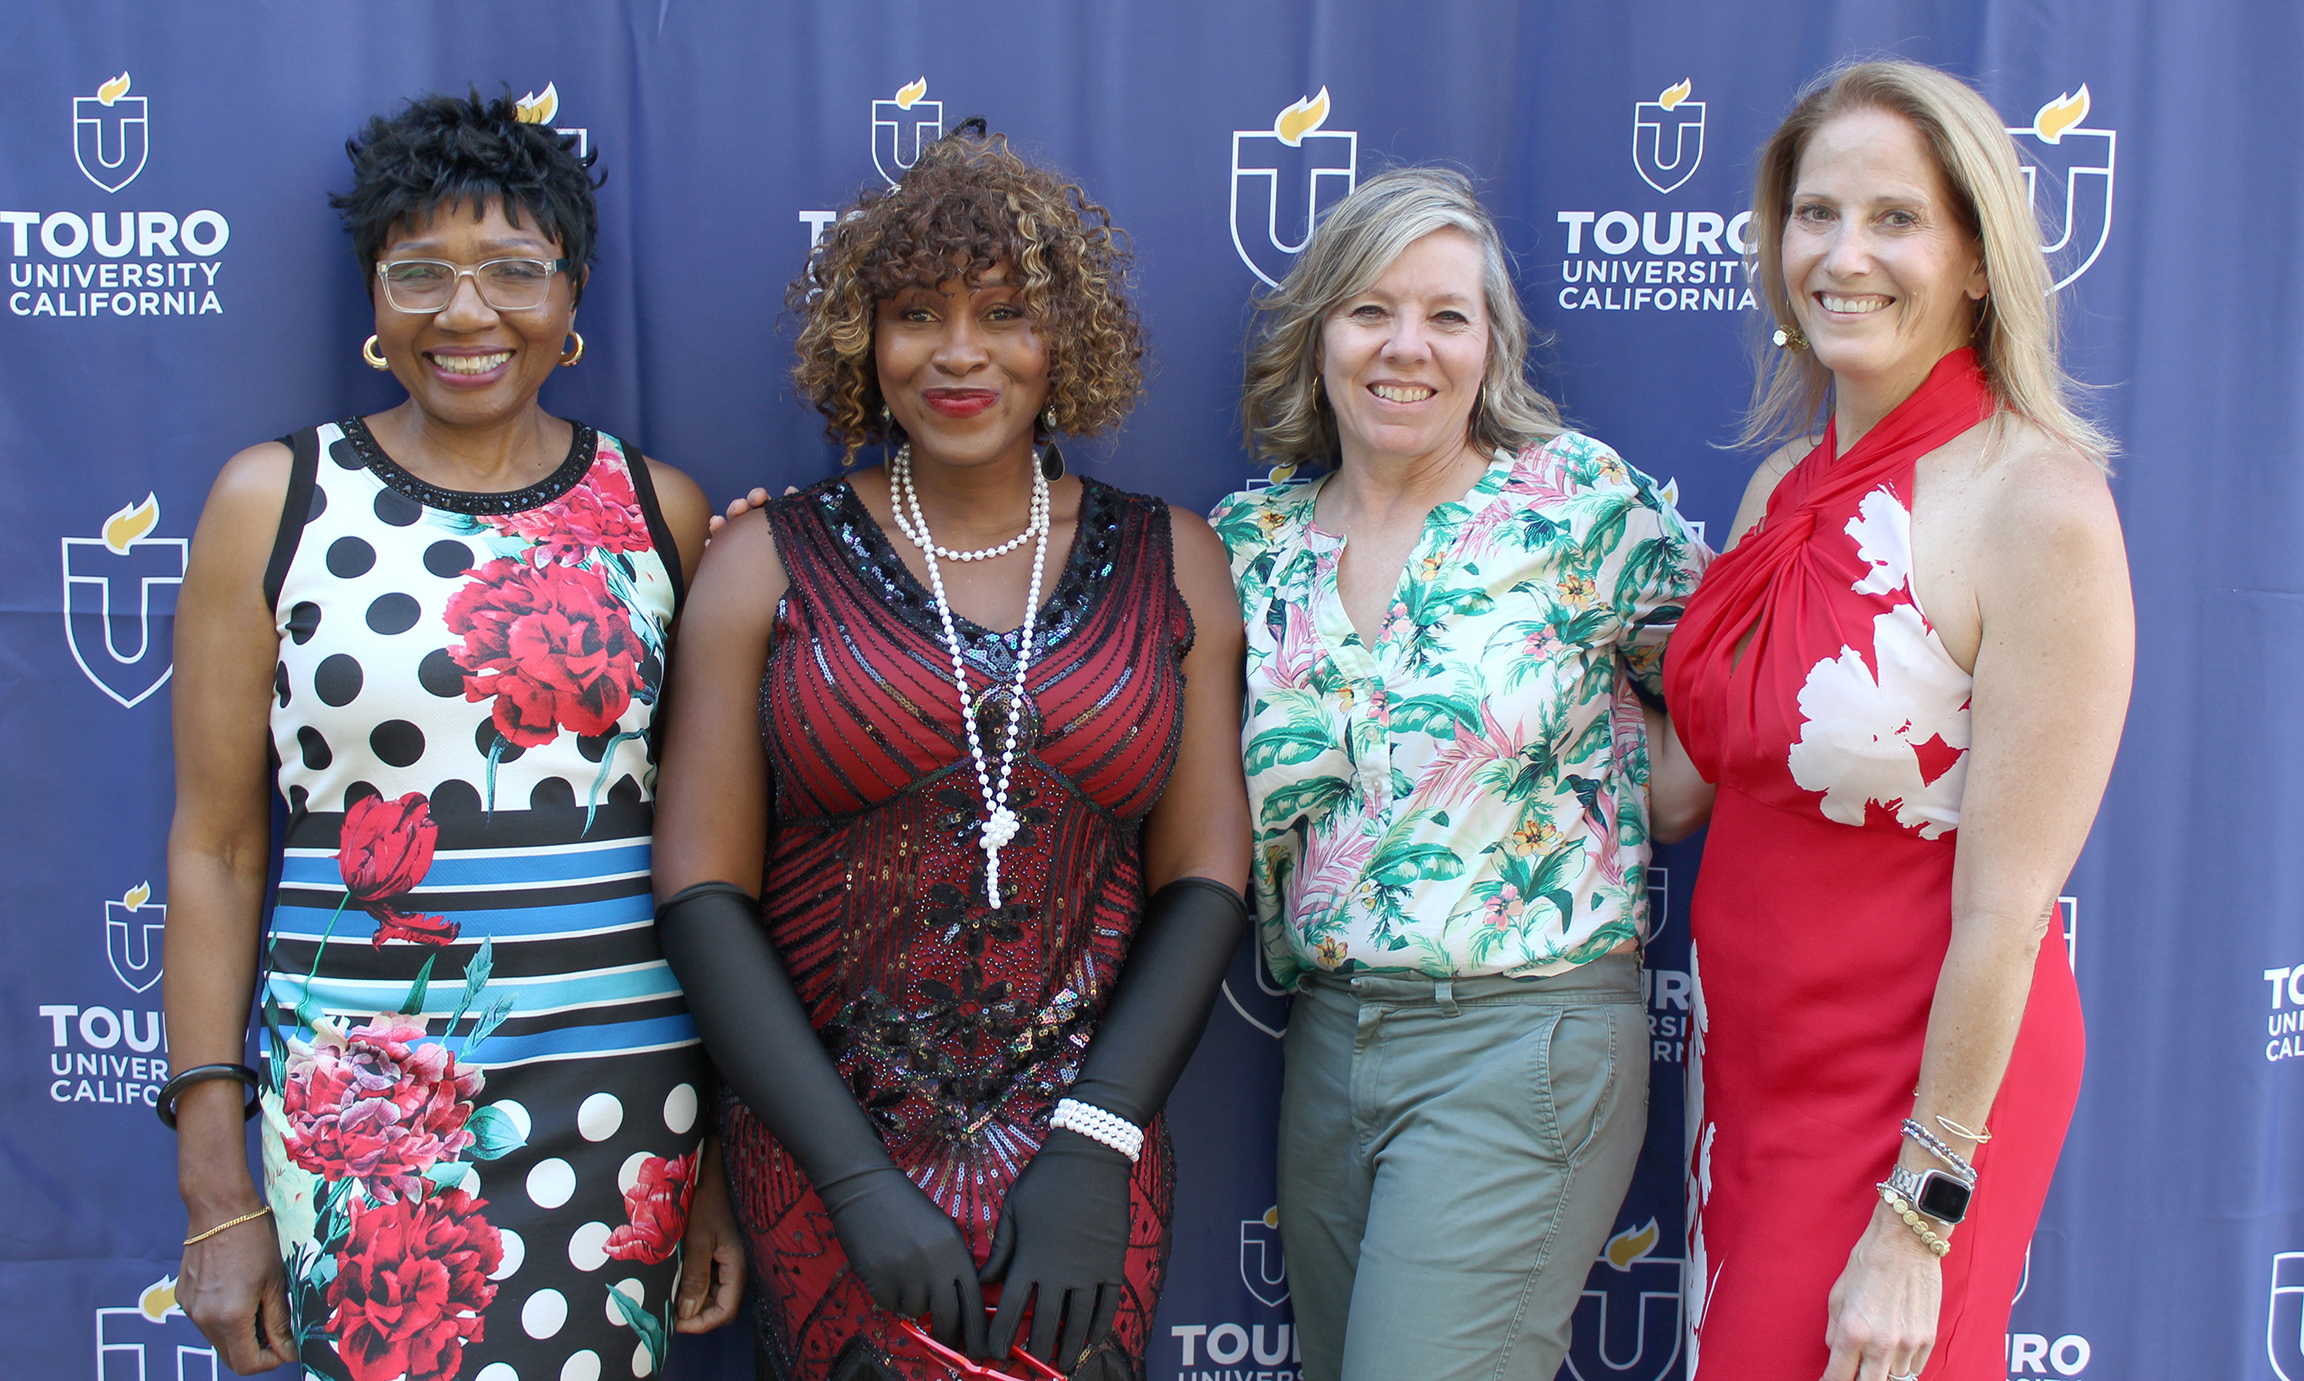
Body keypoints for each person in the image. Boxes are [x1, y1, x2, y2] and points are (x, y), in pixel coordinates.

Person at [650, 127, 1251, 1381]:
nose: (961, 351)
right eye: (917, 312)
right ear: (865, 345)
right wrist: (853, 1177)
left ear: (1064, 342)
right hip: (831, 1167)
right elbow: (704, 894)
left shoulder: (1174, 558)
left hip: (1086, 1170)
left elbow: (1206, 879)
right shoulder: (767, 563)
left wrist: (1096, 1142)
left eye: (1008, 312)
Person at [161, 92, 744, 1380]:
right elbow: (211, 849)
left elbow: (708, 860)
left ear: (572, 297)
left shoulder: (662, 511)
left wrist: (712, 1170)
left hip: (626, 1101)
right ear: (374, 300)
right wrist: (218, 1178)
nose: (466, 314)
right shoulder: (276, 502)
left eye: (514, 273)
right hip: (360, 1117)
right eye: (419, 273)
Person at [1656, 60, 2133, 1381]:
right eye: (1816, 215)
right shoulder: (1773, 495)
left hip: (1919, 1106)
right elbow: (1684, 790)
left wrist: (1918, 1219)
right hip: (1749, 1074)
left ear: (1978, 261)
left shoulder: (2037, 506)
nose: (1842, 254)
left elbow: (2009, 911)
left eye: (1895, 219)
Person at [1209, 167, 1710, 1381]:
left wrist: (1667, 787)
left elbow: (1737, 664)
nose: (1407, 347)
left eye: (1447, 315)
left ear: (1492, 347)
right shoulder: (1249, 545)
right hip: (1326, 1042)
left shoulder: (1579, 506)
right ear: (1319, 329)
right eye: (1371, 309)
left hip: (1522, 1037)